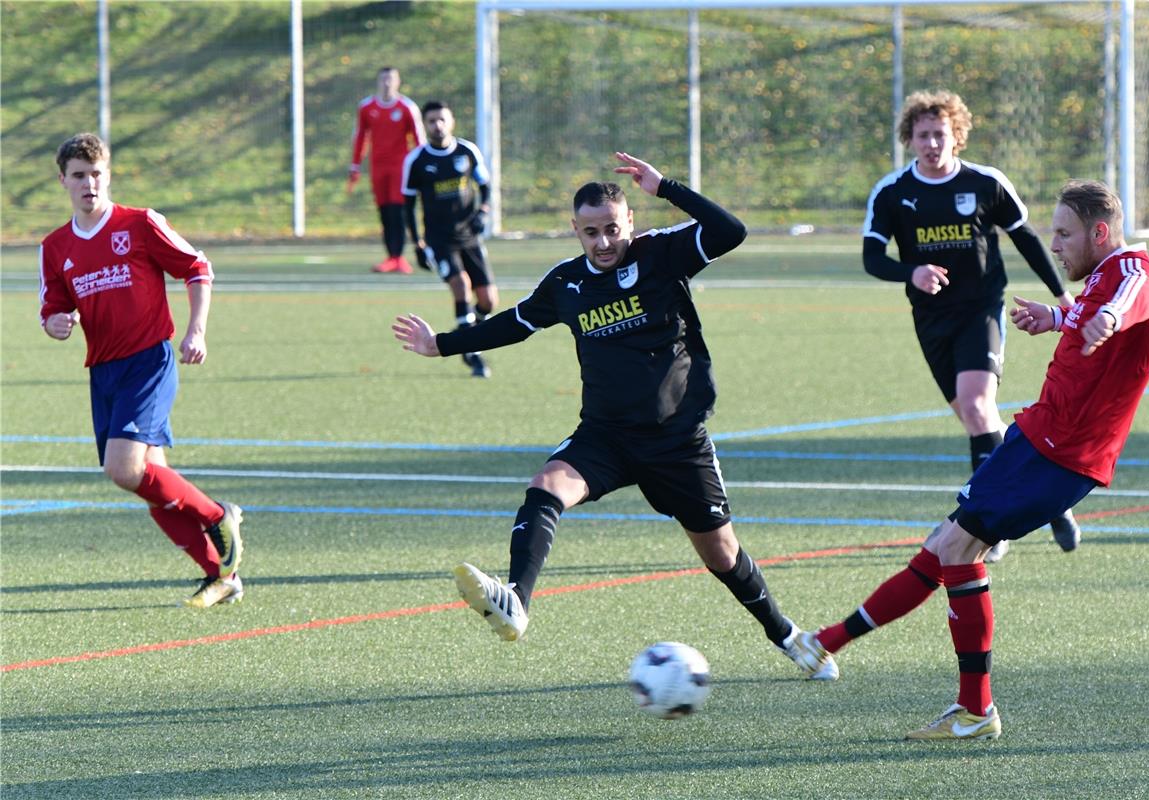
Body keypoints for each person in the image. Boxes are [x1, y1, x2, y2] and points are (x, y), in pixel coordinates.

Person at [393, 152, 835, 679]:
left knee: (721, 554)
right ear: (574, 231)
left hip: (677, 441)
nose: (603, 243)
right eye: (590, 233)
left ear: (630, 222)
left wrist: (666, 187)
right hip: (605, 436)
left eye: (612, 229)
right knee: (545, 487)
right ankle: (516, 600)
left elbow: (730, 231)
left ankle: (786, 635)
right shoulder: (566, 284)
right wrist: (441, 344)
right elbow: (513, 323)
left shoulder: (663, 254)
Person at [788, 179, 1149, 739]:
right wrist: (1054, 319)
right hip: (1037, 438)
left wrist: (1104, 321)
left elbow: (1121, 306)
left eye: (1064, 233)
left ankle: (975, 710)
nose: (1054, 244)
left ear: (1100, 233)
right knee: (943, 547)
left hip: (1062, 454)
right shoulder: (1104, 275)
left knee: (959, 549)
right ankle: (827, 643)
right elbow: (1091, 311)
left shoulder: (1135, 273)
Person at [863, 90, 1082, 561]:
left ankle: (989, 525)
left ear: (957, 136)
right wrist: (912, 272)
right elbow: (871, 257)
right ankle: (1046, 499)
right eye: (922, 135)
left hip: (981, 309)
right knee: (975, 418)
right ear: (910, 140)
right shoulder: (893, 192)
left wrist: (1062, 294)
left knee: (978, 405)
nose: (931, 143)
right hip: (931, 319)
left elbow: (1024, 238)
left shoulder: (986, 183)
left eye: (940, 134)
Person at [38, 133, 245, 609]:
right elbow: (52, 310)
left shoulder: (140, 223)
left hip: (149, 360)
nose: (89, 184)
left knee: (123, 469)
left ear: (108, 175)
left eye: (97, 174)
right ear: (63, 181)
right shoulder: (55, 247)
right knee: (151, 478)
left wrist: (196, 330)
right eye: (79, 176)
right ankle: (222, 573)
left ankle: (219, 515)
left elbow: (198, 268)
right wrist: (56, 323)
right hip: (103, 371)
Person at [401, 100, 497, 378]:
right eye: (431, 121)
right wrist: (417, 244)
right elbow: (408, 206)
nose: (437, 125)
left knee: (488, 302)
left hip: (469, 236)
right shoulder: (417, 160)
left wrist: (483, 211)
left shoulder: (467, 151)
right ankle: (471, 351)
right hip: (438, 239)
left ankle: (468, 329)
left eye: (442, 119)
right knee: (460, 283)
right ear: (424, 125)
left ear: (451, 121)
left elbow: (486, 186)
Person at [347, 66, 425, 274]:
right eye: (383, 79)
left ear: (398, 81)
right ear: (378, 81)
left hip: (400, 167)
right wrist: (355, 164)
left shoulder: (407, 107)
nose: (387, 83)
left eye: (391, 79)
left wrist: (423, 167)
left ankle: (398, 257)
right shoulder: (366, 107)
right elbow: (360, 137)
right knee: (384, 212)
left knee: (398, 211)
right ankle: (391, 256)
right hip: (378, 167)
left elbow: (419, 141)